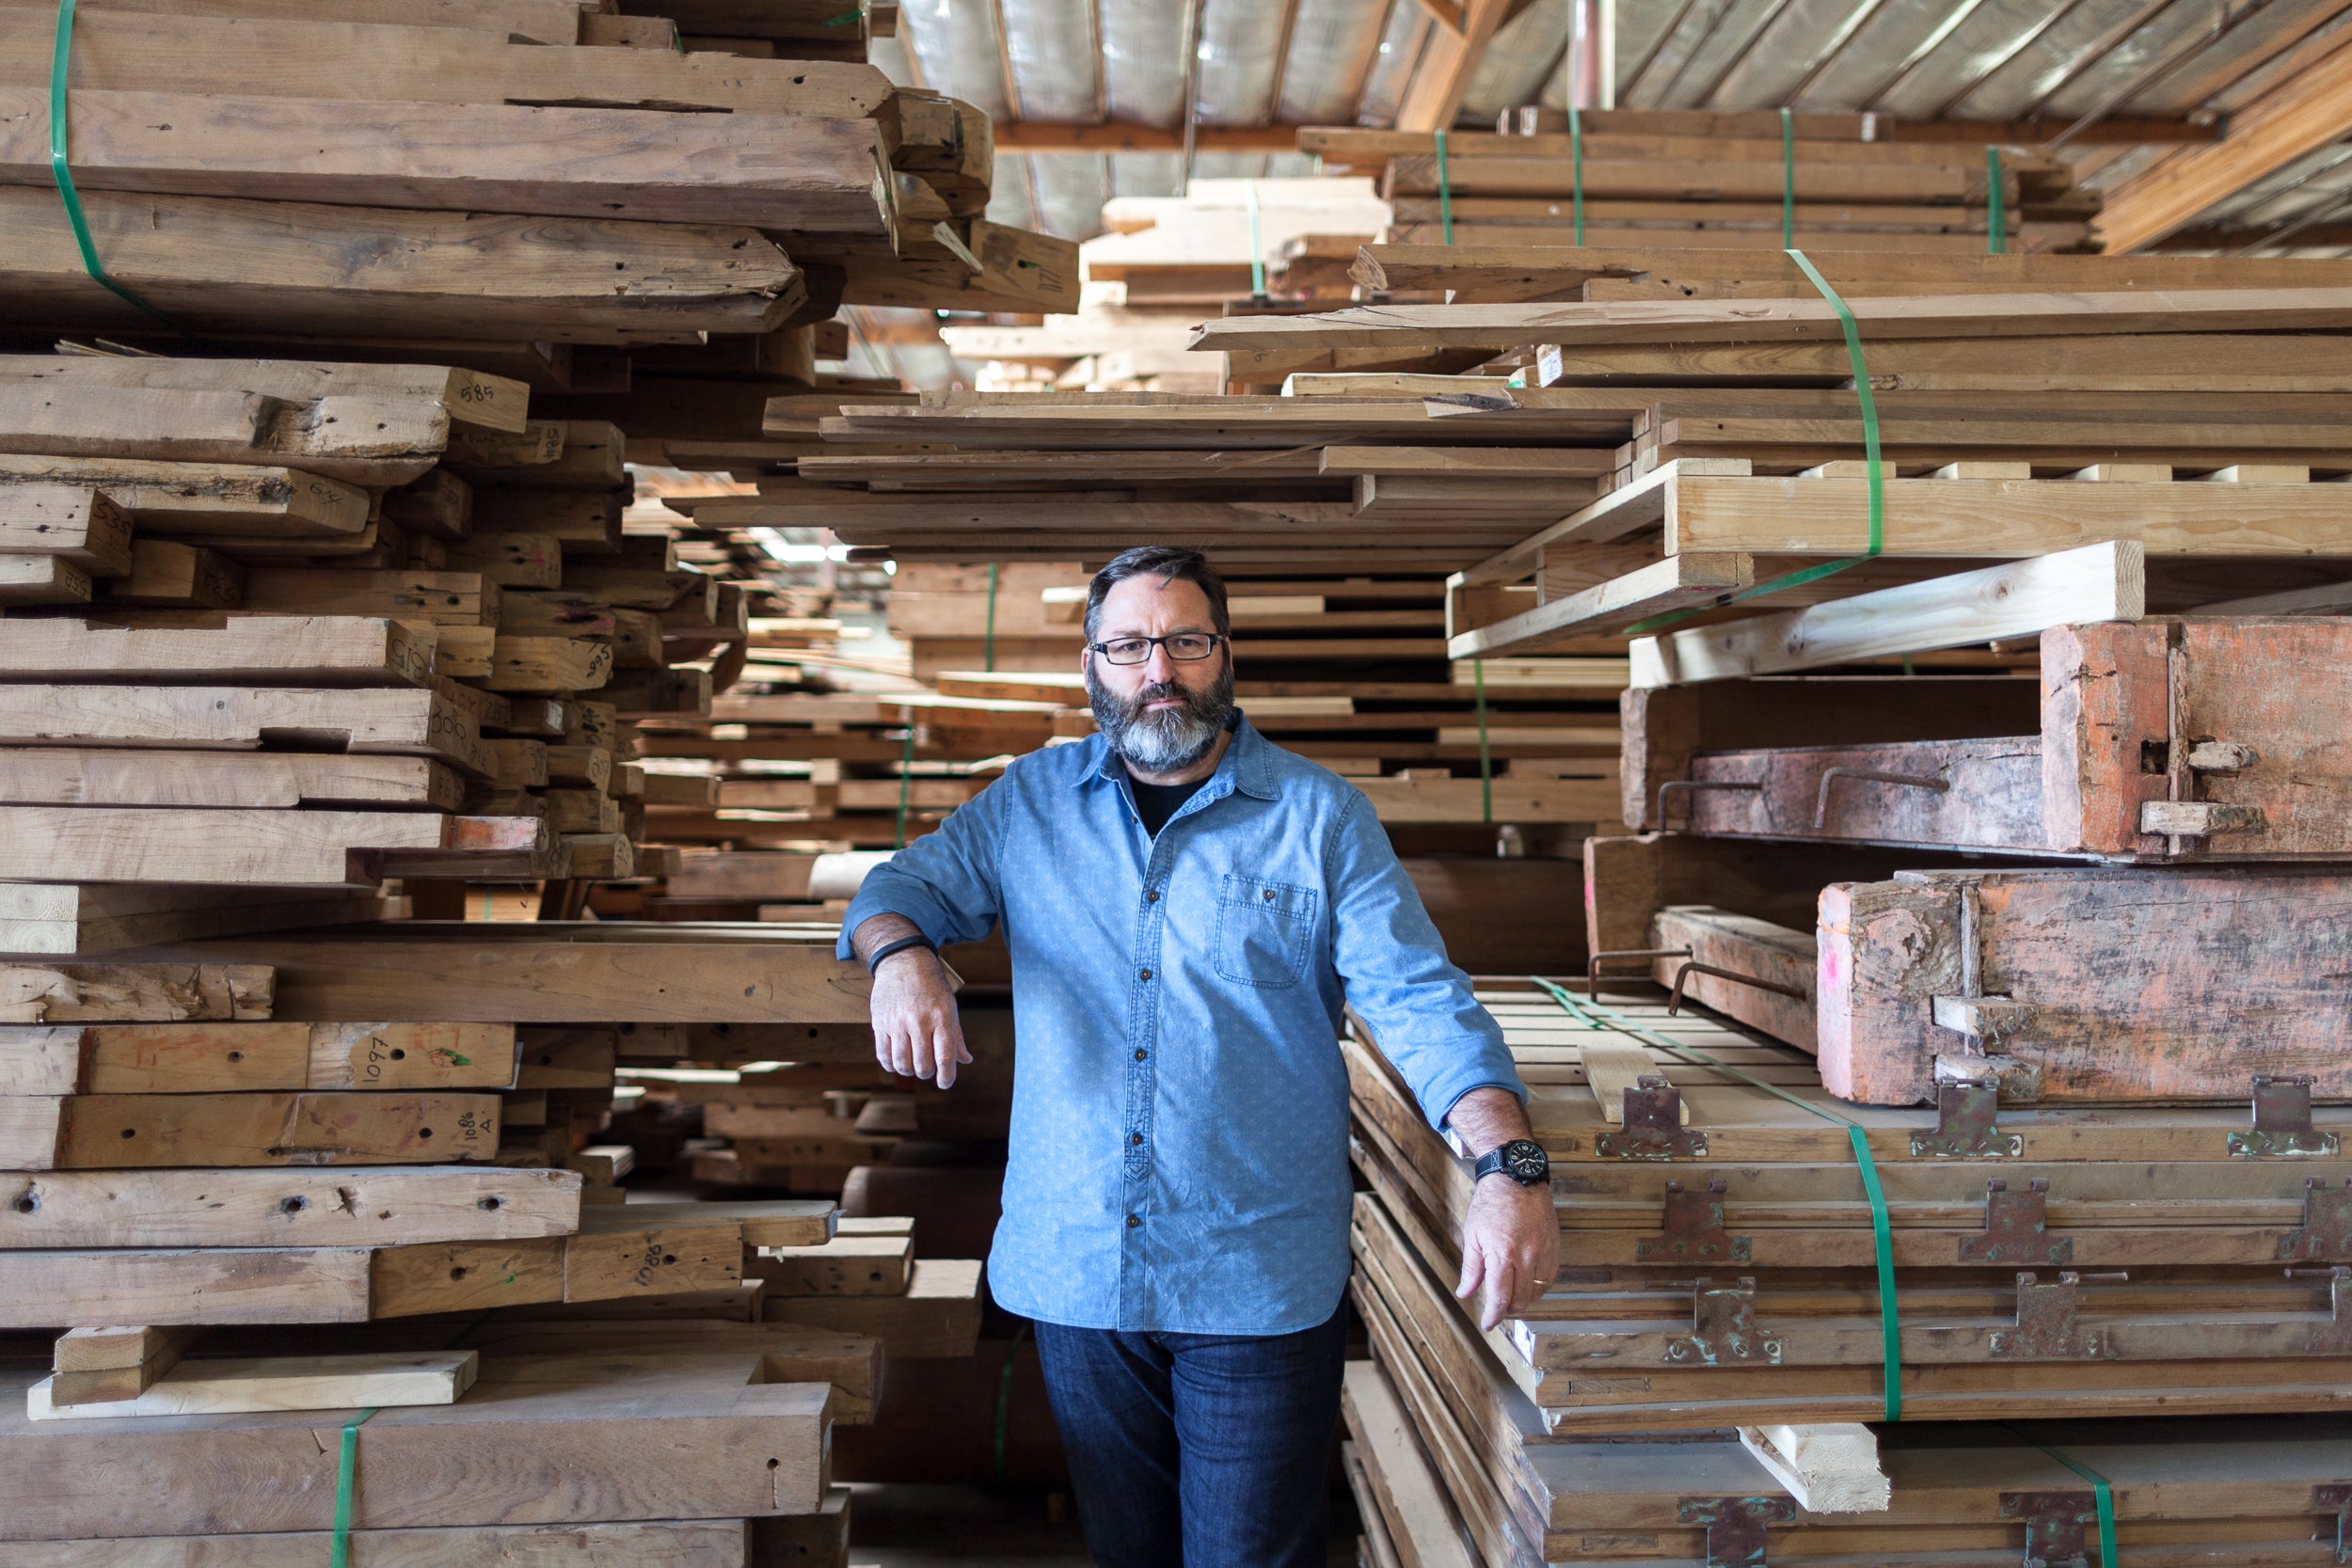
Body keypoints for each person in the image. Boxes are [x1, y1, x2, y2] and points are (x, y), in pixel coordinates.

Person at [840, 546, 1558, 1568]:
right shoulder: (1028, 802)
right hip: (1081, 1268)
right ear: (1092, 665)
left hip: (1253, 1276)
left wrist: (1508, 1165)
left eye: (1184, 641)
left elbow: (1417, 999)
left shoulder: (1319, 816)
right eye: (1128, 645)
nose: (1158, 670)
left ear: (1225, 654)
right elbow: (896, 887)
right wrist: (901, 954)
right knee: (1127, 1551)